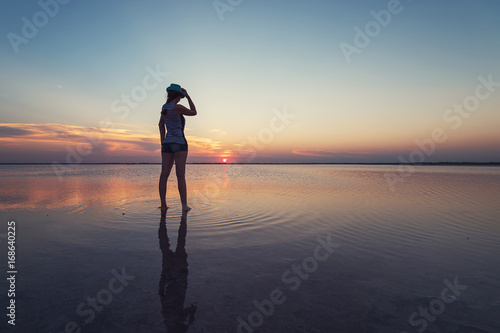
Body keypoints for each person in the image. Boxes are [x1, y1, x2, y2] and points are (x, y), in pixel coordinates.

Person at [159, 83, 197, 211]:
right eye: (181, 96)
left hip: (167, 144)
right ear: (178, 96)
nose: (181, 98)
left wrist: (162, 141)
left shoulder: (164, 108)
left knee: (164, 175)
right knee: (180, 175)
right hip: (179, 144)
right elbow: (194, 112)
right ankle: (184, 206)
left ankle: (163, 205)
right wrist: (188, 96)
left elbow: (160, 125)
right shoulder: (177, 107)